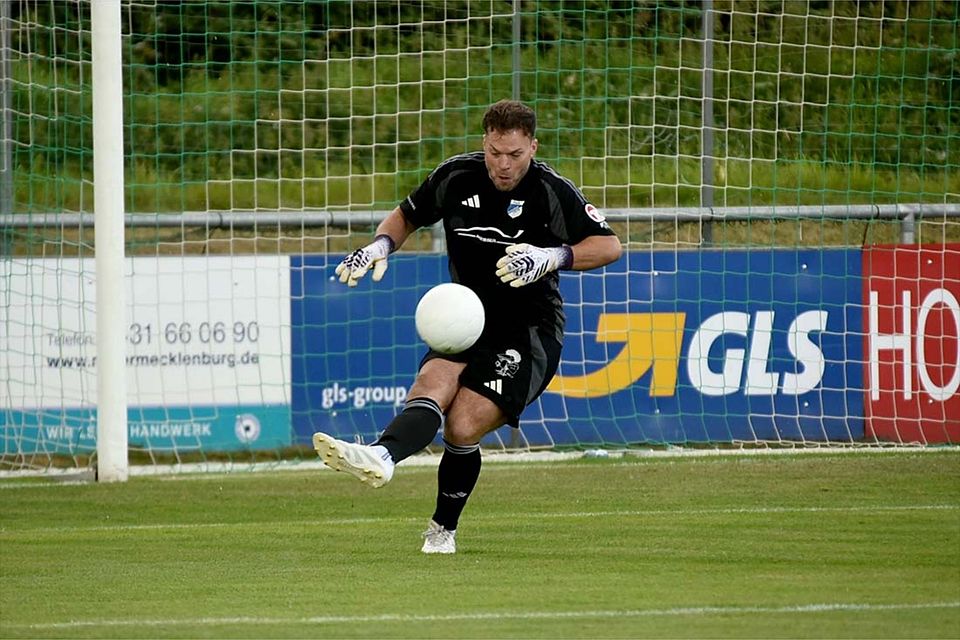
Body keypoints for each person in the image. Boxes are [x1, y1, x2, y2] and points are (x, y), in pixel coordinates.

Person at [312, 99, 621, 554]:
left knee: (462, 426)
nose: (503, 163)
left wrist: (553, 256)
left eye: (514, 154)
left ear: (532, 147)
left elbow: (609, 245)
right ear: (485, 143)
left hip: (529, 330)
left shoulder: (551, 190)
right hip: (466, 316)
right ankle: (381, 454)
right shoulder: (457, 176)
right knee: (431, 382)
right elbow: (407, 216)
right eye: (496, 151)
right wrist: (380, 245)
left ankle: (442, 529)